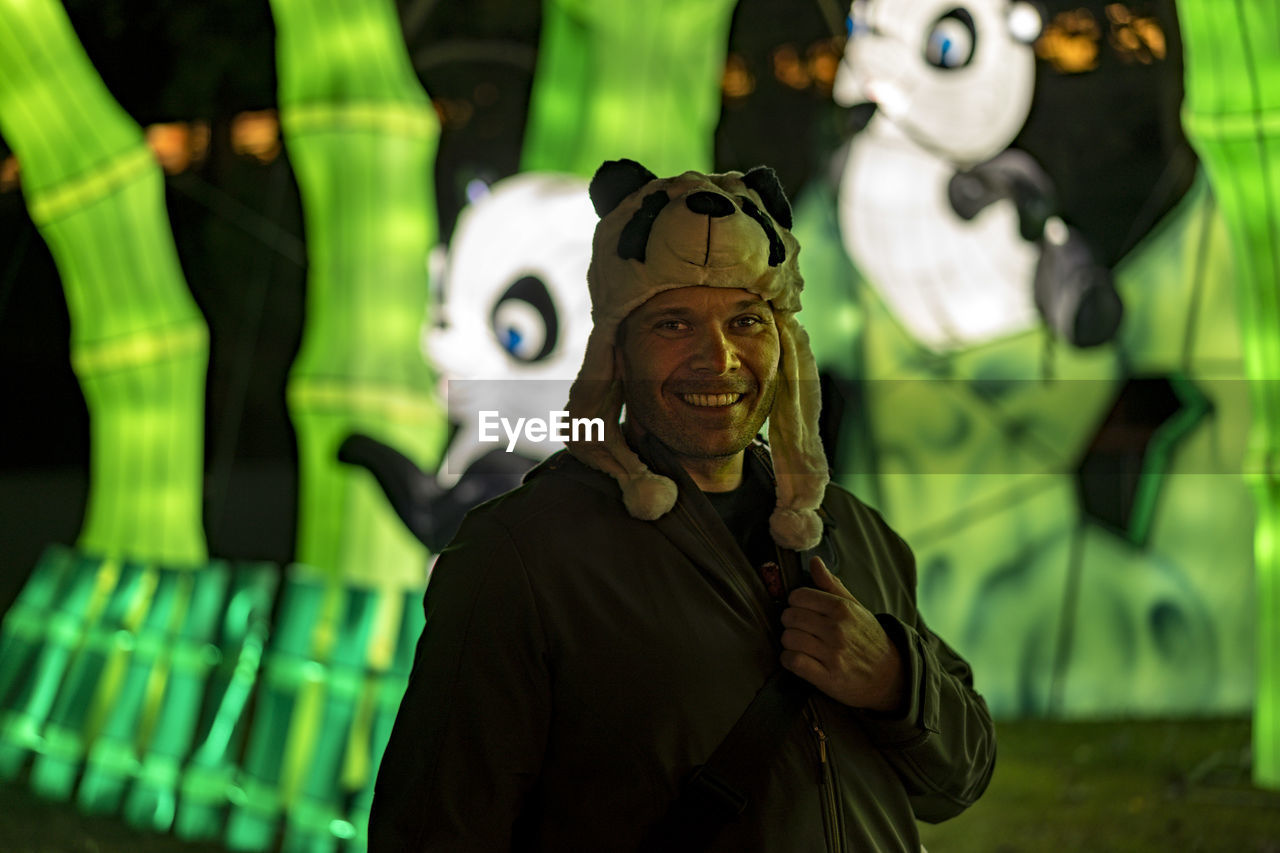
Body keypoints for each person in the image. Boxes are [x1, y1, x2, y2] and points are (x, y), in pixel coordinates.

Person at [368, 160, 996, 852]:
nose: (718, 356)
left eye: (746, 319)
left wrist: (893, 679)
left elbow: (959, 780)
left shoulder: (852, 533)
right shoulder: (520, 555)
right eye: (672, 324)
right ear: (616, 350)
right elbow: (435, 831)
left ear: (783, 341)